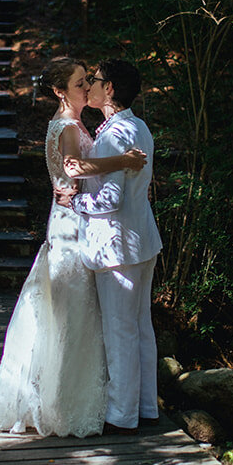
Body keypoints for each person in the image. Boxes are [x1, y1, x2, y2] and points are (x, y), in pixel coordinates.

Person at [0, 57, 145, 437]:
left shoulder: (69, 123)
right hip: (71, 224)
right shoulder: (68, 126)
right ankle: (63, 402)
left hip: (69, 218)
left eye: (88, 81)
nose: (88, 87)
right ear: (59, 92)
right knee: (72, 312)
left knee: (72, 313)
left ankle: (71, 396)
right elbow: (71, 167)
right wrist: (124, 160)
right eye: (79, 83)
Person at [62, 59, 162, 435]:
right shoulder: (138, 126)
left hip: (118, 245)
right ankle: (147, 406)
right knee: (140, 327)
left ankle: (122, 414)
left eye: (97, 80)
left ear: (112, 90)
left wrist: (74, 202)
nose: (91, 86)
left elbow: (109, 200)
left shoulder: (113, 135)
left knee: (120, 329)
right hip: (143, 240)